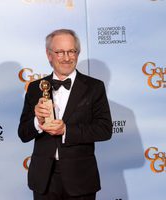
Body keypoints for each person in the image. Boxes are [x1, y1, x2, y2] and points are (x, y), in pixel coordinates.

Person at [18, 29, 112, 200]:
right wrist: (37, 122)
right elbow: (23, 133)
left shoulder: (94, 87)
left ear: (78, 53)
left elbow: (104, 129)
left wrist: (66, 130)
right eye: (60, 52)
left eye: (71, 51)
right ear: (49, 55)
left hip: (81, 178)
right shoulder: (34, 88)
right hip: (43, 179)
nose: (67, 57)